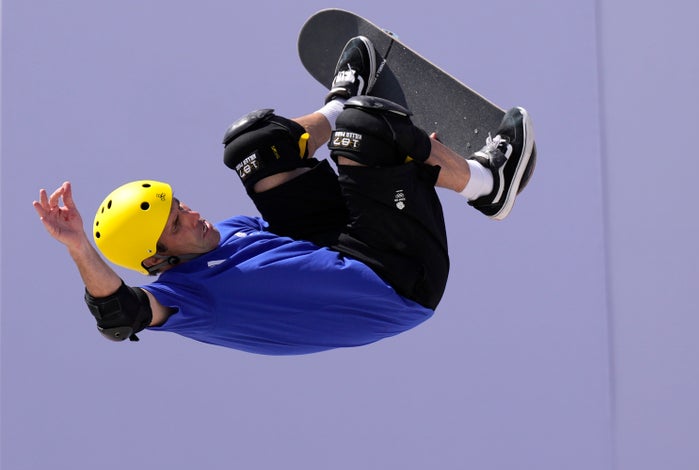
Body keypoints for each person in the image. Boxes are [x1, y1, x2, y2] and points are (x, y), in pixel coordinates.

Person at [33, 37, 534, 355]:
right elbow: (119, 318)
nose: (191, 215)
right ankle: (488, 182)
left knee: (249, 145)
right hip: (397, 282)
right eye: (175, 225)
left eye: (178, 205)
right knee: (369, 131)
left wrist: (379, 171)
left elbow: (315, 201)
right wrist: (79, 246)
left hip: (335, 243)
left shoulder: (228, 232)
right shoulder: (184, 297)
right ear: (159, 259)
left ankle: (339, 108)